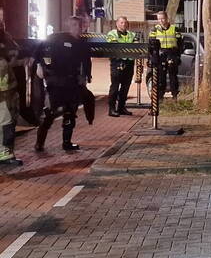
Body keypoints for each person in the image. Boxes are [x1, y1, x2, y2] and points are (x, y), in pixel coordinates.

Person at [33, 16, 92, 152]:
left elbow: (86, 61)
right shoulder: (56, 38)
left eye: (79, 26)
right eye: (74, 25)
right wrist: (38, 65)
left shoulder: (82, 43)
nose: (76, 28)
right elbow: (38, 50)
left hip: (72, 82)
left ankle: (67, 143)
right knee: (50, 112)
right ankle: (39, 143)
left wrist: (86, 77)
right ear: (69, 26)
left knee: (70, 113)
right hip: (55, 81)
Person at [105, 15, 137, 117]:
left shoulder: (132, 34)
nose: (124, 24)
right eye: (121, 22)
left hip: (129, 63)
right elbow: (115, 47)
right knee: (115, 87)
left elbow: (136, 47)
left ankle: (121, 107)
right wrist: (128, 50)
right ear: (117, 24)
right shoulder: (112, 34)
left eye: (125, 22)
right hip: (117, 62)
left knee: (125, 87)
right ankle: (112, 109)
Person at [0, 29, 22, 166]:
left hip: (6, 94)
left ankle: (5, 153)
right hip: (4, 96)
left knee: (6, 122)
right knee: (6, 123)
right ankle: (5, 154)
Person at [149, 11, 180, 101]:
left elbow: (180, 43)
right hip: (160, 54)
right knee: (161, 77)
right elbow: (151, 45)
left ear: (167, 18)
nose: (161, 21)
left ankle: (175, 96)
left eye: (162, 18)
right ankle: (160, 97)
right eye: (159, 19)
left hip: (172, 53)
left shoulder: (174, 29)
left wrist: (178, 55)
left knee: (173, 76)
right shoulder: (154, 30)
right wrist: (152, 57)